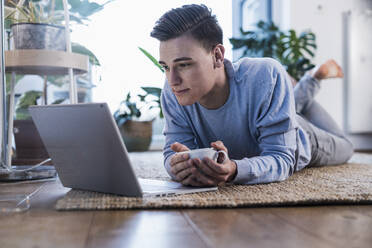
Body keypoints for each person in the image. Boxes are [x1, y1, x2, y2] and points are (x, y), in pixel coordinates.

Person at [150, 4, 354, 186]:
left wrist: (235, 170)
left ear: (218, 56)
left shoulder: (265, 75)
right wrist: (177, 165)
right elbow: (172, 153)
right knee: (278, 100)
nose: (172, 80)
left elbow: (282, 157)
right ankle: (294, 92)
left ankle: (311, 79)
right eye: (166, 67)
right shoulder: (172, 92)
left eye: (184, 65)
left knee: (347, 148)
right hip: (266, 113)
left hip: (301, 137)